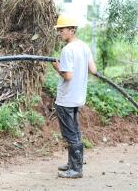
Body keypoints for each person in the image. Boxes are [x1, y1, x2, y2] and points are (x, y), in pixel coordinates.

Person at [52, 15, 97, 178]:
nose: (59, 32)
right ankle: (73, 163)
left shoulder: (67, 49)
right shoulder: (84, 46)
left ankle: (76, 169)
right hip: (78, 97)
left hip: (66, 99)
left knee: (70, 133)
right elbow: (93, 69)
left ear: (72, 30)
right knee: (75, 131)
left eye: (62, 30)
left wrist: (57, 67)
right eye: (58, 30)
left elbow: (68, 76)